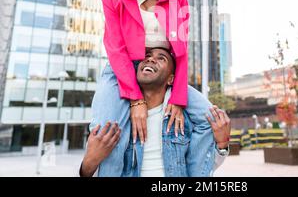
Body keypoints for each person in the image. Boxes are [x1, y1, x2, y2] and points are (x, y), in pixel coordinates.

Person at [96, 0, 216, 176]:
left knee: (210, 120)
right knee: (108, 133)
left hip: (162, 69)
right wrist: (135, 99)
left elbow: (181, 51)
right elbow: (115, 49)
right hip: (124, 70)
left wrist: (178, 98)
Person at [81, 48, 231, 177]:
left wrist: (222, 145)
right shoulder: (118, 118)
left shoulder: (184, 120)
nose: (151, 59)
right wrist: (88, 164)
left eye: (161, 58)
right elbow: (96, 170)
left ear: (171, 79)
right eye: (147, 56)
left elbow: (201, 165)